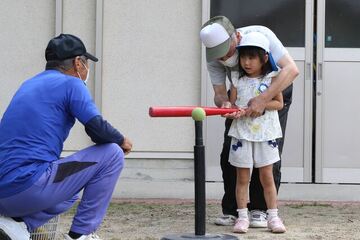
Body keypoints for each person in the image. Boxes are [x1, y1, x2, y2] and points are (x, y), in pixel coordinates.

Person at [0, 34, 132, 240]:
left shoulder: (28, 85)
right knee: (112, 153)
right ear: (78, 63)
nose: (87, 69)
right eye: (86, 63)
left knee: (71, 189)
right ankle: (81, 235)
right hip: (28, 186)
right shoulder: (71, 84)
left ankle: (16, 223)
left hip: (5, 193)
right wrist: (122, 140)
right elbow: (98, 130)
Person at [199, 16, 299, 227]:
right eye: (218, 55)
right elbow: (219, 94)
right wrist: (225, 104)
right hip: (240, 96)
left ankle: (261, 210)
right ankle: (234, 210)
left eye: (227, 51)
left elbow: (291, 70)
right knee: (231, 153)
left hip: (274, 89)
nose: (224, 57)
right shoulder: (213, 55)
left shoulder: (261, 35)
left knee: (267, 157)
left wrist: (263, 99)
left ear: (236, 37)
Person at [228, 31, 286, 233]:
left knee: (267, 177)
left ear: (264, 58)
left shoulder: (272, 78)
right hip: (242, 134)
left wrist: (261, 104)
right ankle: (242, 217)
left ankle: (273, 217)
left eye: (252, 57)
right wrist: (231, 110)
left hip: (266, 134)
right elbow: (231, 106)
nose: (246, 62)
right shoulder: (236, 78)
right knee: (242, 178)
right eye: (243, 57)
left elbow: (279, 103)